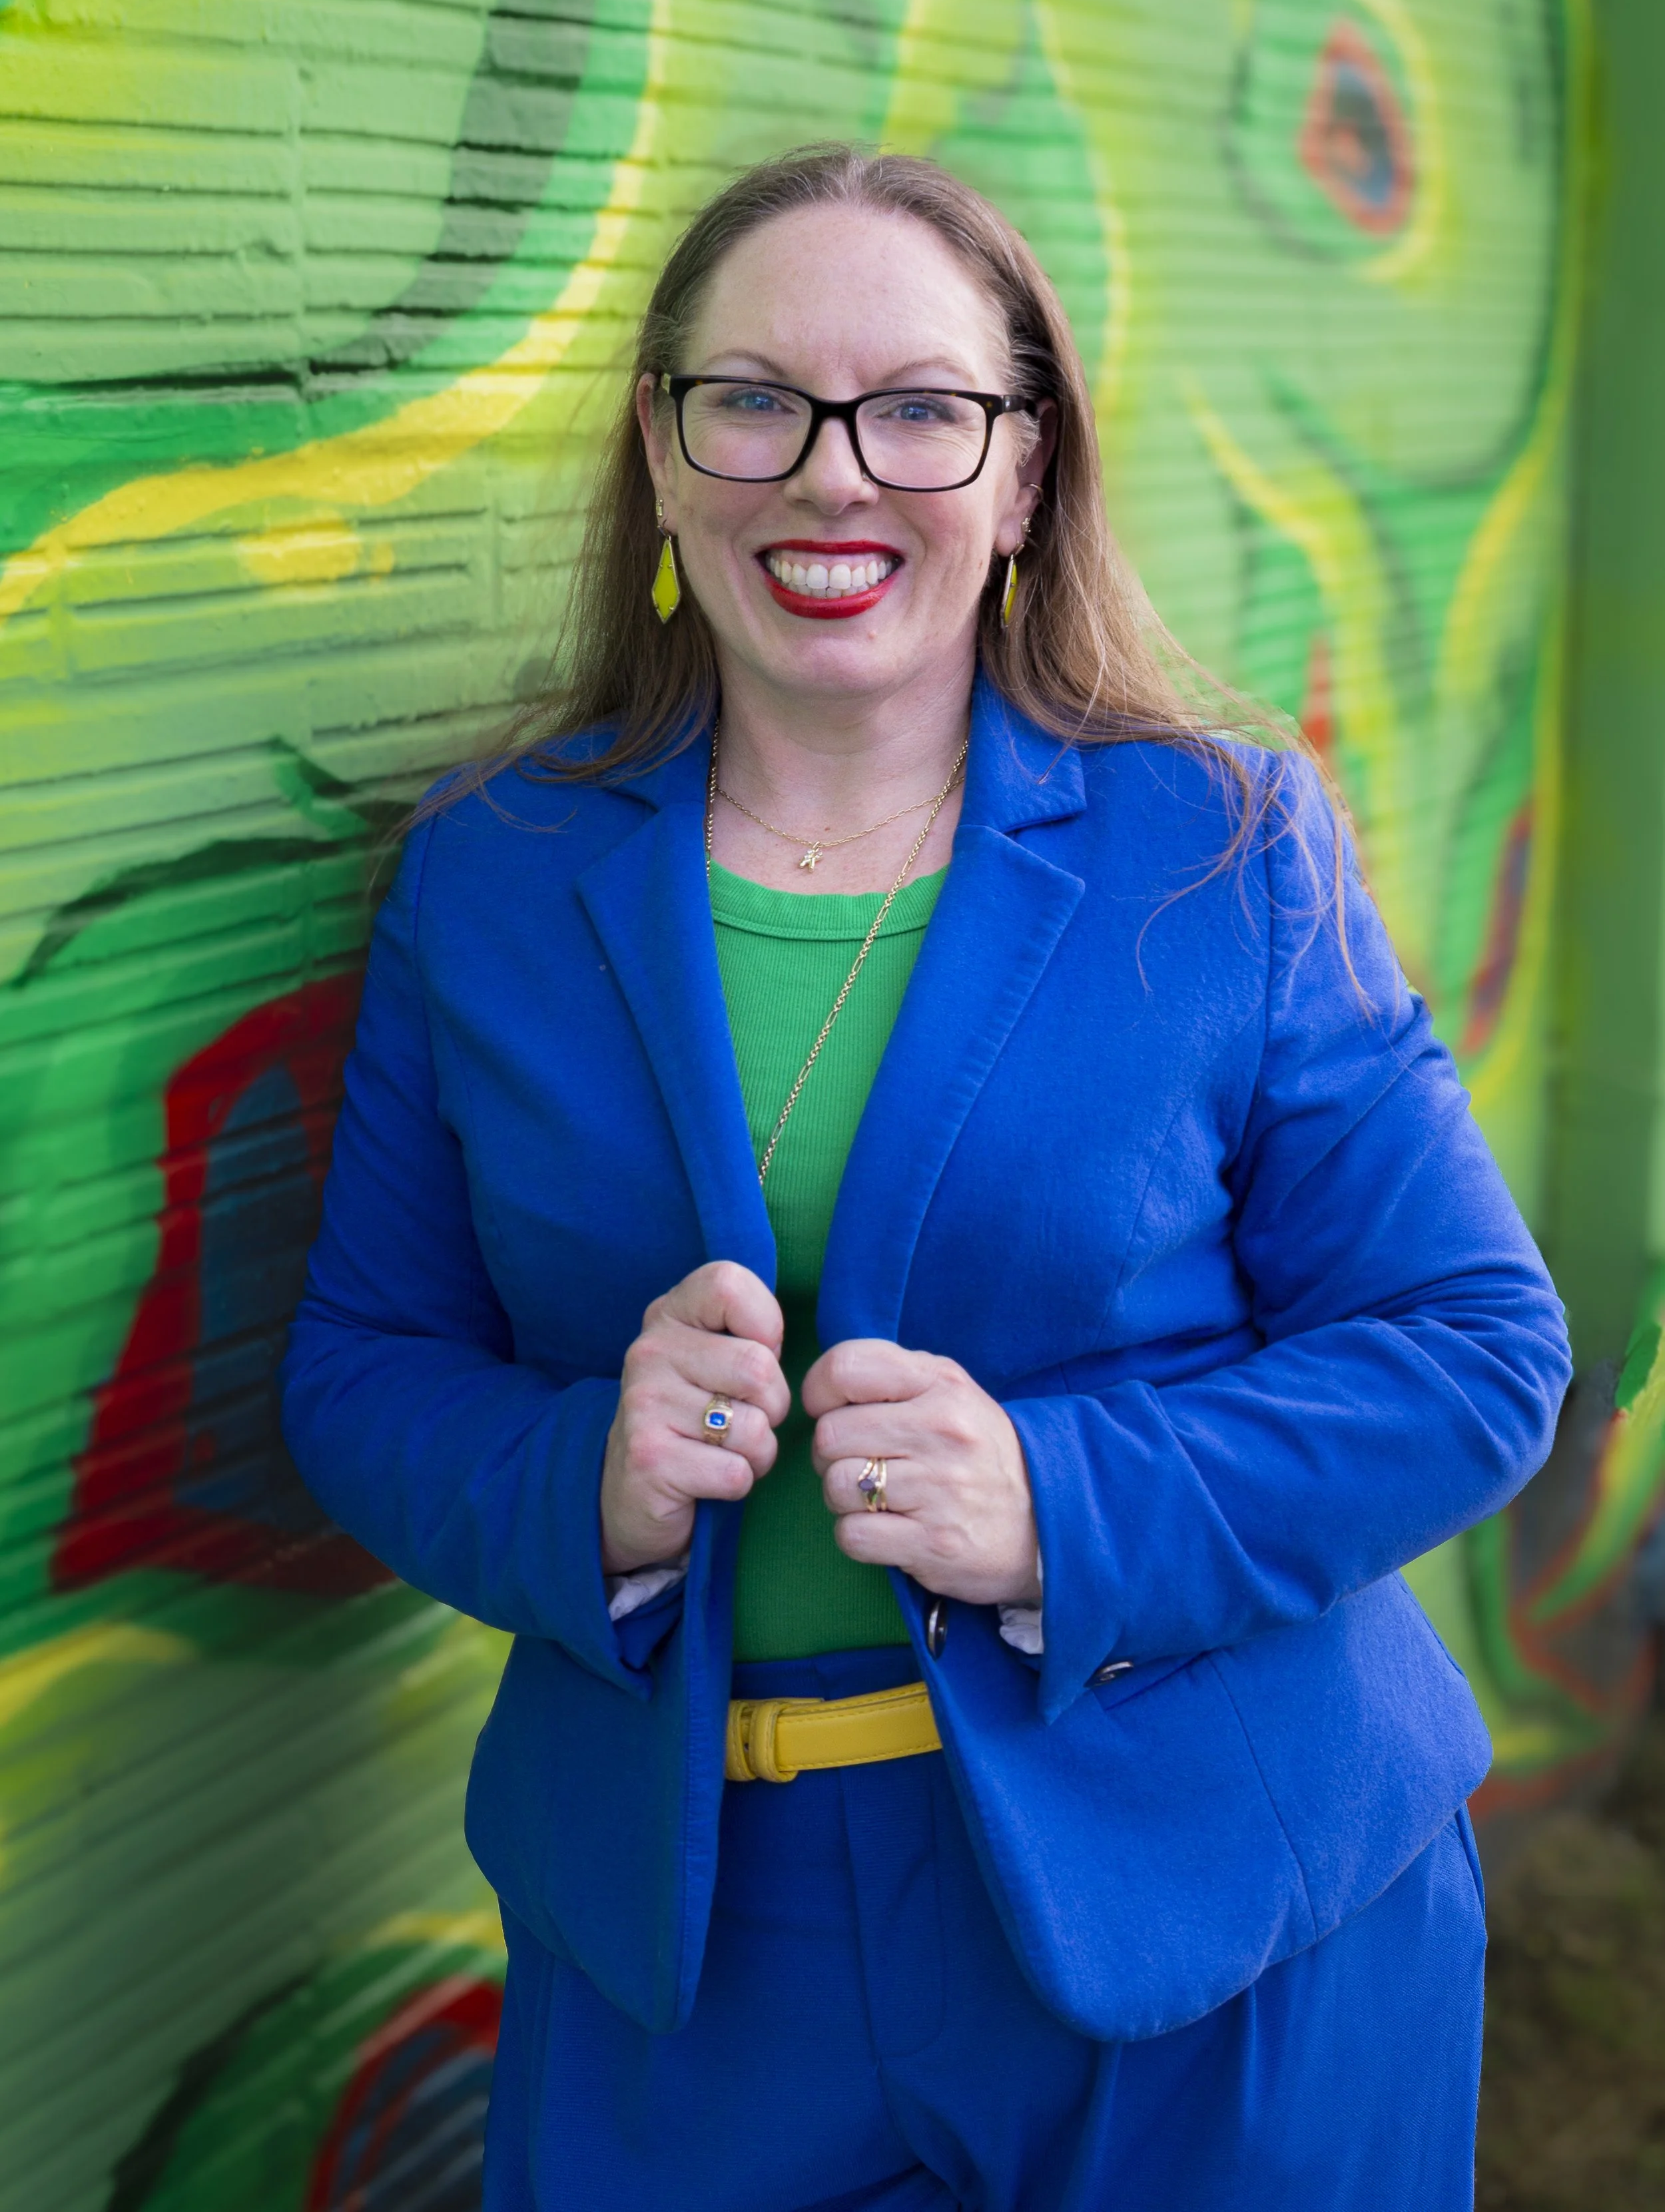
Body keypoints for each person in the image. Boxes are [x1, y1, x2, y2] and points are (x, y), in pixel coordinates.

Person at [281, 145, 1570, 2211]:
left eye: (918, 410)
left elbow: (1471, 1346)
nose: (832, 473)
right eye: (755, 401)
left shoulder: (1221, 847)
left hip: (1211, 1898)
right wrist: (582, 1485)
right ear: (662, 448)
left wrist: (1061, 1499)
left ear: (1023, 470)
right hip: (683, 1945)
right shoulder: (491, 878)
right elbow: (361, 1366)